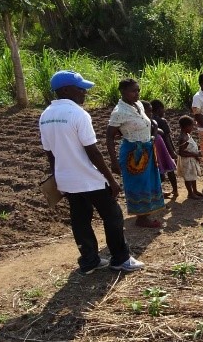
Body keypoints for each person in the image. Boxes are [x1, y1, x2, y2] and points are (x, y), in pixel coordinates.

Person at [39, 70, 144, 274]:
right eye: (81, 89)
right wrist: (111, 180)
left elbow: (50, 153)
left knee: (80, 220)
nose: (84, 93)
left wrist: (57, 177)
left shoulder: (45, 116)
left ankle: (89, 261)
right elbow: (93, 152)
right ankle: (120, 258)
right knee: (113, 215)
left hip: (67, 180)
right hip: (88, 179)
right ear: (66, 90)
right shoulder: (78, 114)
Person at [106, 78, 165, 228]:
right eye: (133, 91)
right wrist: (114, 161)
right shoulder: (119, 112)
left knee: (148, 181)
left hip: (146, 149)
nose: (137, 93)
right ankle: (141, 218)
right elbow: (109, 136)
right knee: (138, 184)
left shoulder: (138, 105)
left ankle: (145, 213)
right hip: (133, 152)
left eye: (138, 90)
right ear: (122, 91)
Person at [143, 101, 178, 199]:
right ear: (159, 110)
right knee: (170, 170)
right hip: (163, 148)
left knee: (157, 171)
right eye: (163, 109)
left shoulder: (148, 120)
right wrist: (172, 151)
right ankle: (175, 190)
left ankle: (158, 191)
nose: (164, 111)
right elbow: (167, 137)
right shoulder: (161, 121)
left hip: (154, 149)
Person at [176, 115, 203, 199]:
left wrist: (195, 155)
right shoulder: (183, 138)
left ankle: (194, 190)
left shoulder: (187, 135)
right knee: (188, 177)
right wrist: (194, 155)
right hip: (186, 161)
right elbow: (181, 152)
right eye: (191, 126)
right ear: (186, 126)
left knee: (193, 175)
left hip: (191, 160)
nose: (192, 128)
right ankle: (190, 193)